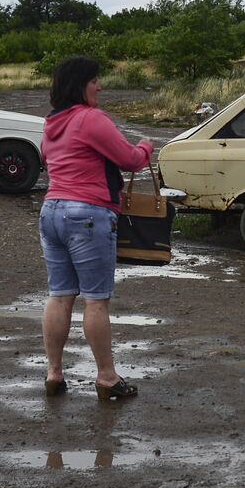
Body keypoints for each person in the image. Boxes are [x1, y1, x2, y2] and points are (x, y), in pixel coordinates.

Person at [38, 56, 154, 400]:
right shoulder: (90, 119)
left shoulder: (50, 123)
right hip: (87, 214)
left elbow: (47, 159)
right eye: (94, 81)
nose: (99, 87)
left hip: (51, 211)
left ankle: (54, 373)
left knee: (59, 295)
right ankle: (106, 377)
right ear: (78, 85)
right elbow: (130, 159)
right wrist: (147, 145)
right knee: (96, 301)